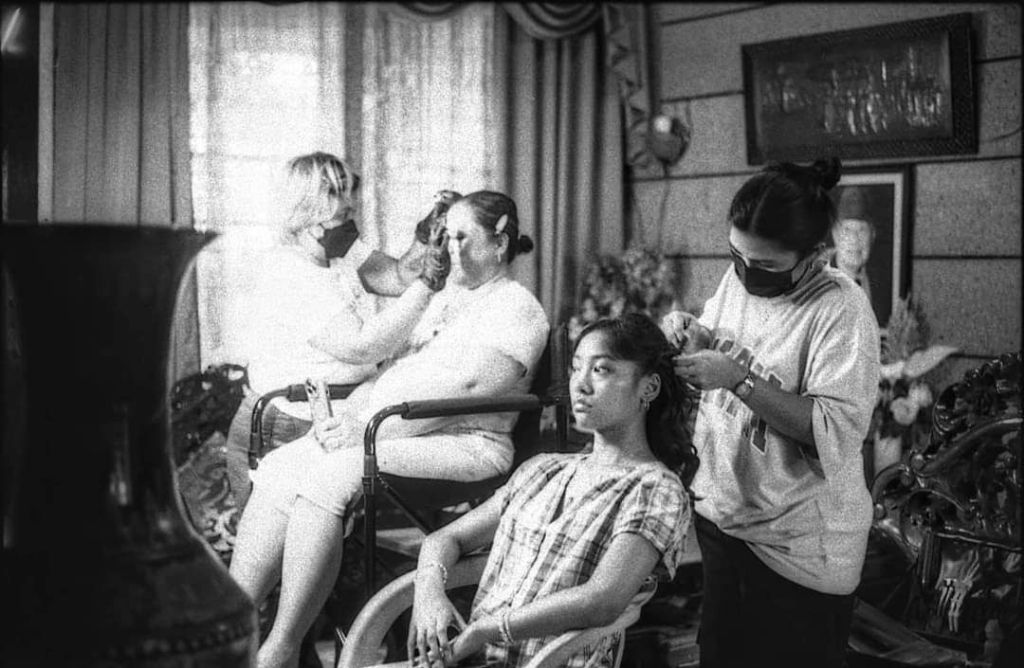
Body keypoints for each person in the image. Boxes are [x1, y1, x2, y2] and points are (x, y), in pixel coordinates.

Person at [229, 190, 550, 668]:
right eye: (445, 237)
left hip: (468, 443)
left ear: (500, 243)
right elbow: (388, 371)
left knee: (332, 475)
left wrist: (368, 432)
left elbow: (471, 388)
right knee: (282, 465)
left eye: (462, 238)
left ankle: (280, 647)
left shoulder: (516, 307)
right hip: (400, 431)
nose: (449, 250)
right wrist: (344, 420)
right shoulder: (445, 300)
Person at [663, 158, 880, 668]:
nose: (746, 274)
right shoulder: (742, 275)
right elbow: (722, 340)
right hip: (727, 519)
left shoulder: (841, 310)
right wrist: (694, 334)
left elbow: (828, 431)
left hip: (801, 546)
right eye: (736, 256)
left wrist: (738, 380)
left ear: (815, 255)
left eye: (764, 265)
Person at [405, 313, 695, 668]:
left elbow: (601, 600)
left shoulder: (654, 489)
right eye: (576, 368)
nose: (580, 385)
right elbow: (445, 539)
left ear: (648, 388)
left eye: (601, 370)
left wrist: (485, 631)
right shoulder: (544, 471)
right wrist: (429, 594)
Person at [222, 151, 459, 509]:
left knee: (323, 528)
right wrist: (428, 285)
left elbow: (396, 276)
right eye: (340, 199)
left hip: (327, 414)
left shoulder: (335, 249)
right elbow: (363, 347)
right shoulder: (289, 271)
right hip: (287, 422)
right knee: (286, 532)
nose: (351, 207)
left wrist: (427, 236)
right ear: (309, 212)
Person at [829, 186, 877, 304]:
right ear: (835, 235)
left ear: (872, 235)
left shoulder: (884, 281)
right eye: (847, 230)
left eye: (862, 230)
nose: (854, 239)